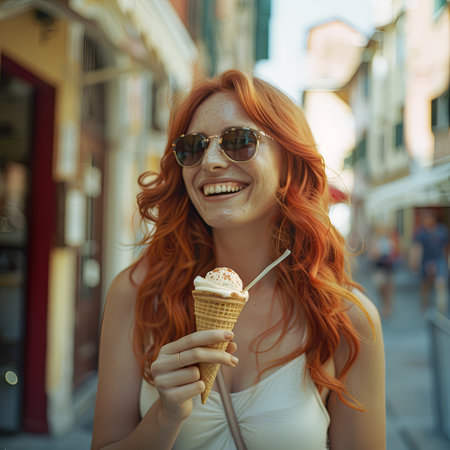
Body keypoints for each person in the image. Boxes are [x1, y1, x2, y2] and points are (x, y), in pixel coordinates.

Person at [91, 70, 385, 450]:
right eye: (193, 147)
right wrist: (165, 417)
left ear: (289, 162)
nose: (210, 162)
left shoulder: (348, 318)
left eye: (240, 141)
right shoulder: (137, 294)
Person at [411, 209, 449, 315]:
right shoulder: (421, 232)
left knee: (440, 284)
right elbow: (416, 248)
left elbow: (446, 247)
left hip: (439, 260)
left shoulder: (442, 230)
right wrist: (415, 262)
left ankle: (441, 312)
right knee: (425, 286)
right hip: (426, 261)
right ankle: (425, 308)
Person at [368, 224, 398, 317]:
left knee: (389, 288)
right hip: (379, 268)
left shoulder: (390, 240)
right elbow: (371, 255)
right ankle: (385, 304)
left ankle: (387, 307)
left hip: (388, 268)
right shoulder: (374, 241)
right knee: (380, 287)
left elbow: (395, 252)